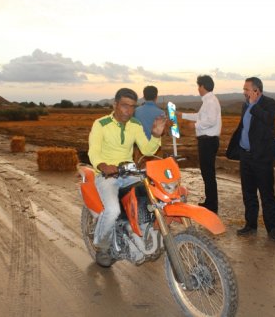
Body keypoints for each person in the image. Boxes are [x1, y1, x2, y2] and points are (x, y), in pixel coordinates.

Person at [88, 88, 166, 266]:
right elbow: (93, 151)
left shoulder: (136, 124)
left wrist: (155, 135)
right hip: (107, 176)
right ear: (115, 104)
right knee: (113, 210)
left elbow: (147, 150)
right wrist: (103, 166)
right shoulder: (101, 124)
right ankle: (101, 246)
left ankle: (144, 234)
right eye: (124, 106)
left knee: (155, 201)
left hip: (129, 173)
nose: (128, 111)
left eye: (132, 107)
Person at [226, 77, 275, 242]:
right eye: (244, 89)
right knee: (248, 193)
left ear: (256, 91)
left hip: (262, 158)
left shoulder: (270, 104)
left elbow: (268, 119)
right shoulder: (245, 105)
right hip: (246, 156)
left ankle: (272, 229)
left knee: (267, 194)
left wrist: (254, 105)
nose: (244, 92)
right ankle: (250, 225)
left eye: (247, 89)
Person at [178, 75, 221, 214]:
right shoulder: (208, 101)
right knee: (206, 173)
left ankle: (212, 205)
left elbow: (211, 120)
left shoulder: (211, 101)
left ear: (203, 86)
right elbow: (200, 116)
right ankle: (210, 202)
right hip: (206, 140)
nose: (198, 89)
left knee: (208, 173)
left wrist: (196, 125)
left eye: (199, 86)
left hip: (208, 141)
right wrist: (183, 115)